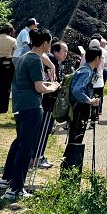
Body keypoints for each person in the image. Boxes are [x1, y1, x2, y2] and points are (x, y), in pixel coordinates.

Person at [0, 28, 59, 200]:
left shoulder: (25, 56)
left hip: (19, 105)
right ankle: (16, 188)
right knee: (26, 147)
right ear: (46, 43)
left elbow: (32, 82)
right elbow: (39, 87)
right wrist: (53, 87)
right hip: (32, 107)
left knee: (19, 143)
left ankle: (6, 179)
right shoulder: (34, 60)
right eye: (50, 42)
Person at [62, 47, 103, 175]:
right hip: (80, 110)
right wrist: (90, 101)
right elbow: (77, 90)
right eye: (100, 58)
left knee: (74, 138)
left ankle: (68, 168)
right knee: (76, 139)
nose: (101, 60)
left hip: (77, 109)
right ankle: (69, 170)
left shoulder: (85, 69)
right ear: (97, 58)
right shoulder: (86, 72)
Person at [33, 41, 70, 170]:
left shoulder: (56, 63)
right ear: (55, 51)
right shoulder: (51, 60)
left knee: (45, 130)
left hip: (48, 101)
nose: (66, 54)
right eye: (64, 51)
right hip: (47, 101)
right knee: (44, 130)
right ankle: (37, 157)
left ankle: (38, 156)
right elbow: (51, 82)